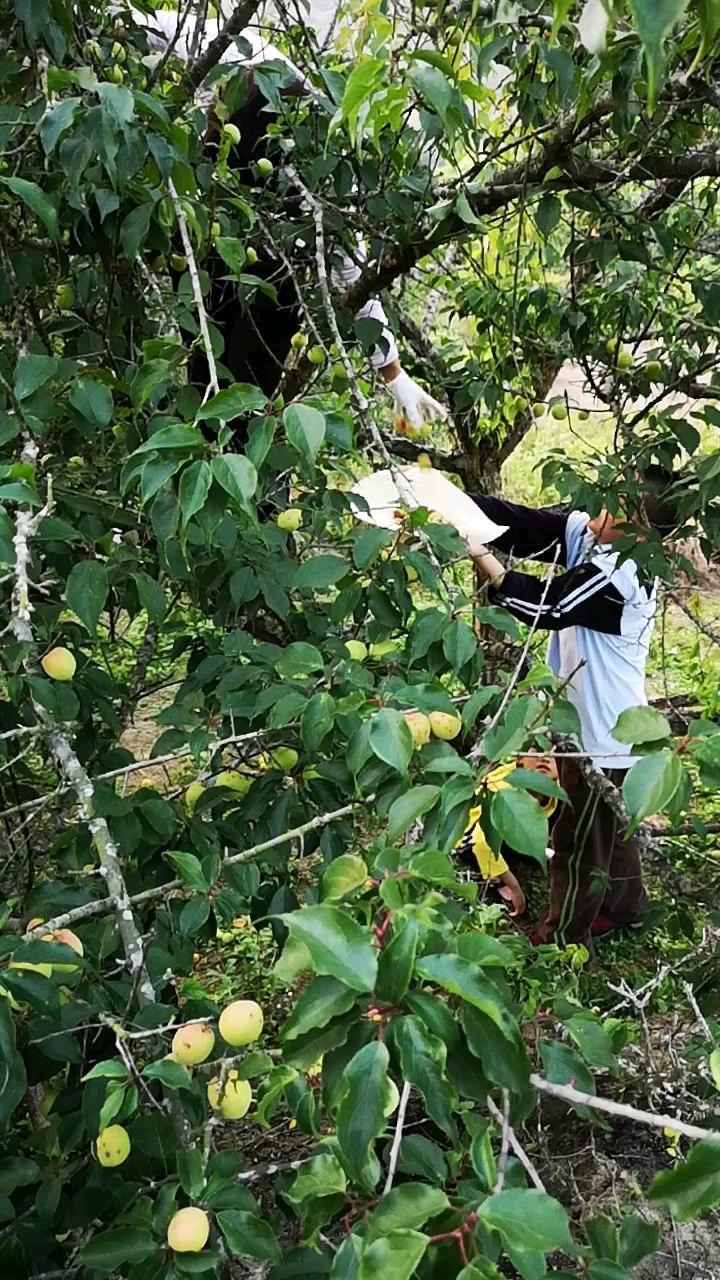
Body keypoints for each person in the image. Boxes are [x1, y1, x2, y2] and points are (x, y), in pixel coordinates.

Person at [129, 7, 446, 429]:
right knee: (205, 367)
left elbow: (355, 275)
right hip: (205, 230)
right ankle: (206, 422)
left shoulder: (320, 167)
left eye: (216, 129)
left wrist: (393, 374)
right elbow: (145, 25)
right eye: (213, 125)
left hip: (275, 267)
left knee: (247, 388)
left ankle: (239, 440)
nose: (210, 126)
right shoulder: (234, 51)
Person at [464, 468, 677, 949]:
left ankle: (561, 937)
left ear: (637, 528)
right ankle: (626, 910)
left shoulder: (624, 575)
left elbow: (549, 607)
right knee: (610, 831)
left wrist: (482, 559)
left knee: (577, 844)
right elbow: (525, 527)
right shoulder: (594, 538)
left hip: (604, 737)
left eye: (613, 504)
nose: (597, 506)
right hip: (596, 728)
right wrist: (457, 505)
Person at [453, 752, 559, 918]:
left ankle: (529, 849)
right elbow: (482, 843)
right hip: (473, 836)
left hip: (508, 830)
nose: (545, 757)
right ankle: (496, 881)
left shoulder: (556, 785)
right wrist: (515, 887)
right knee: (482, 847)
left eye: (554, 752)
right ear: (519, 757)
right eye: (536, 749)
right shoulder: (504, 789)